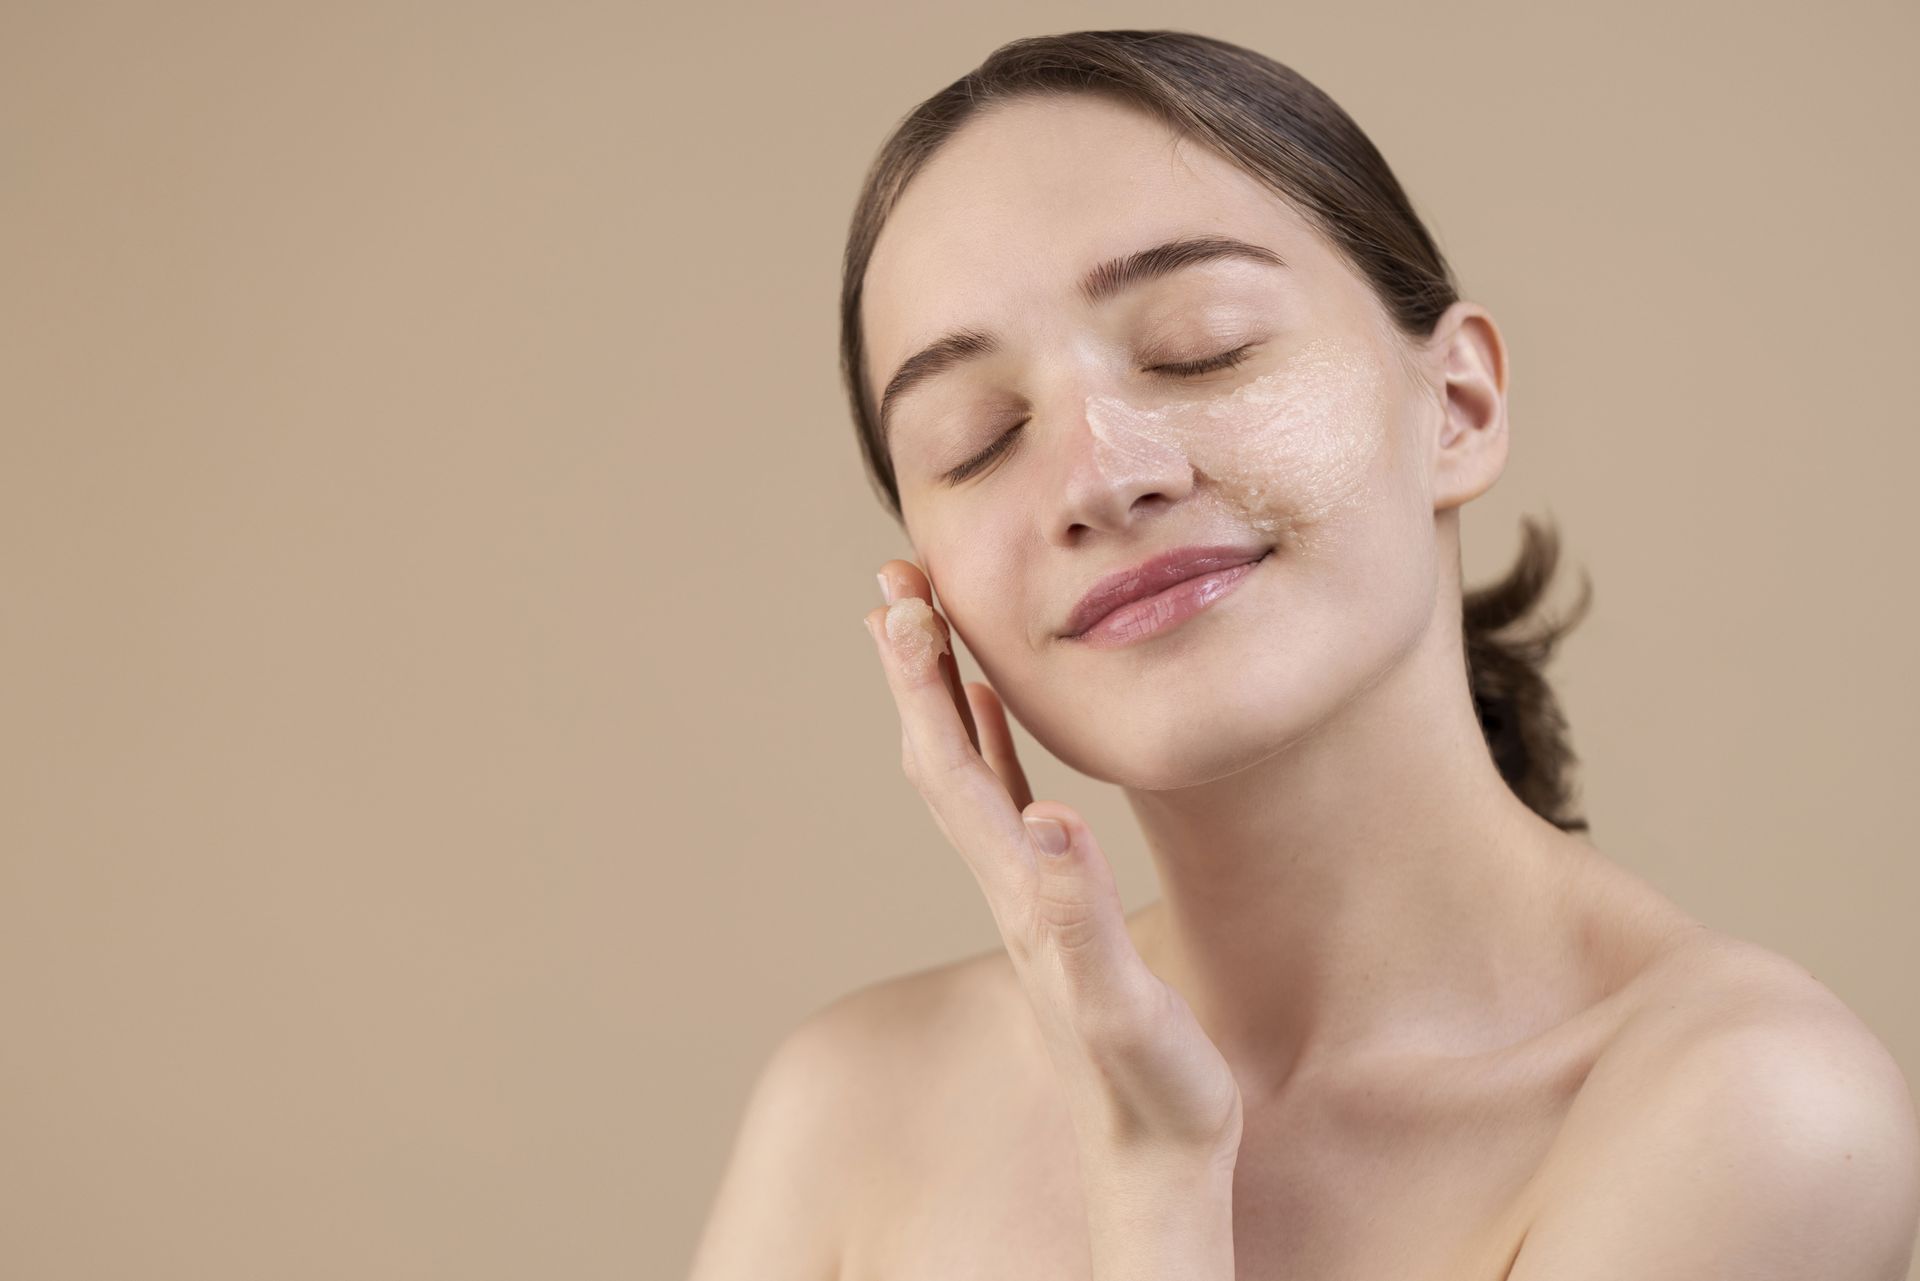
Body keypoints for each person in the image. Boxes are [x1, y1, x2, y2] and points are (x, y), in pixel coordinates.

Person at [687, 30, 1919, 1281]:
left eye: (1201, 345)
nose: (1102, 478)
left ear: (1457, 408)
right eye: (978, 438)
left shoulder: (1754, 1119)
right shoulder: (853, 1110)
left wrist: (1157, 1176)